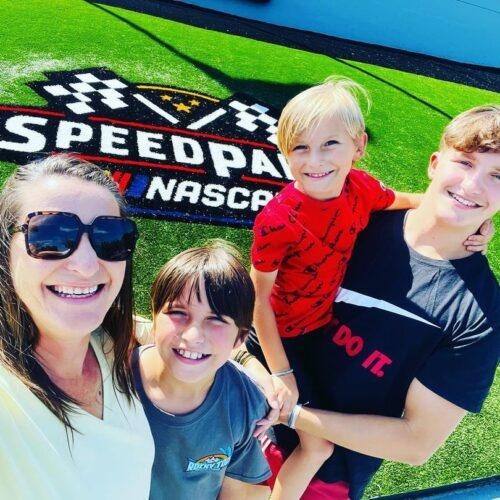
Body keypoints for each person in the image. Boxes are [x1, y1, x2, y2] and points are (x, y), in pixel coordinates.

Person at [268, 104, 500, 499]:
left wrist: (293, 416)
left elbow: (415, 442)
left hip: (318, 474)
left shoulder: (481, 315)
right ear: (434, 163)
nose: (473, 185)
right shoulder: (351, 217)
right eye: (464, 162)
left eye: (497, 176)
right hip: (232, 403)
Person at [248, 75, 430, 499]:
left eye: (330, 144)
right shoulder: (278, 220)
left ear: (359, 145)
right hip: (278, 336)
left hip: (320, 329)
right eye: (300, 148)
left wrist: (472, 219)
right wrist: (283, 373)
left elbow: (411, 201)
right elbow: (258, 300)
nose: (315, 160)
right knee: (318, 443)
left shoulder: (360, 189)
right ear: (285, 153)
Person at [0, 155, 154, 499]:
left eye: (110, 237)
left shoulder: (109, 344)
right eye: (50, 235)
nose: (86, 265)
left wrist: (254, 367)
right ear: (5, 250)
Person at [132, 240, 272, 499]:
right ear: (153, 315)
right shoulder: (109, 375)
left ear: (239, 338)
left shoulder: (246, 402)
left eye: (216, 320)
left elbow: (244, 492)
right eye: (177, 312)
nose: (193, 335)